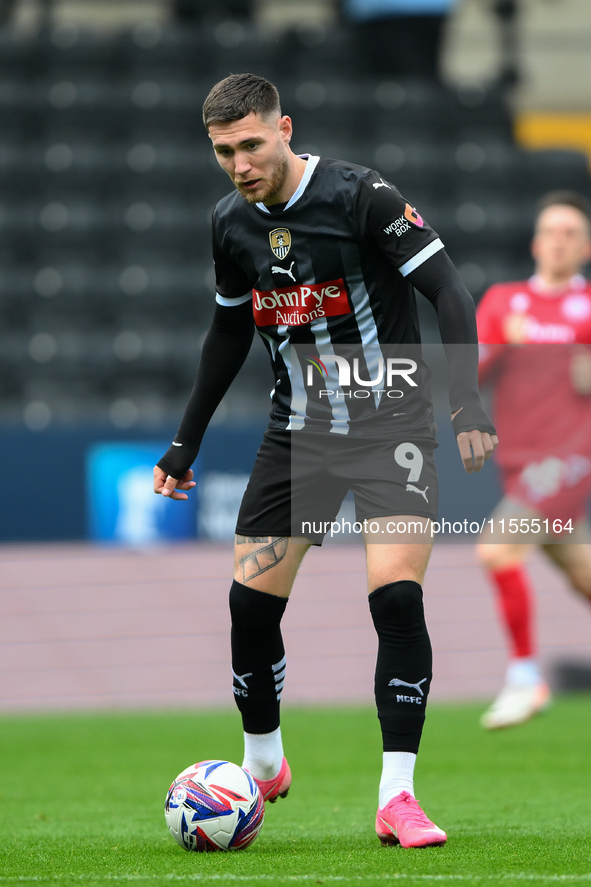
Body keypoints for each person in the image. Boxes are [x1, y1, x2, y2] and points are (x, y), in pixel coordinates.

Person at [153, 73, 496, 848]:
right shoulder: (229, 224)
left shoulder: (360, 196)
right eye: (221, 151)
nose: (238, 163)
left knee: (396, 601)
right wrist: (186, 440)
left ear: (284, 129)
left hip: (393, 428)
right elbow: (227, 336)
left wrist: (465, 400)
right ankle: (262, 763)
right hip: (299, 433)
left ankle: (396, 796)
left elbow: (448, 291)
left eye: (248, 144)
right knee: (248, 607)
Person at [476, 191, 591, 730]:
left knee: (497, 549)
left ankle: (525, 678)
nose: (560, 240)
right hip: (521, 462)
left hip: (569, 458)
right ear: (536, 242)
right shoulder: (503, 302)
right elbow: (468, 373)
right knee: (582, 575)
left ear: (585, 246)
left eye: (571, 232)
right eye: (552, 231)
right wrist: (502, 343)